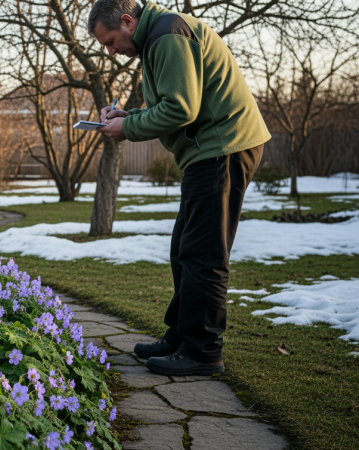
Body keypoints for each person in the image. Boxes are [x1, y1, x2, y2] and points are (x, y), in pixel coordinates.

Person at [87, 0, 271, 376]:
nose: (110, 52)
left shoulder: (168, 34)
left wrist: (128, 129)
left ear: (126, 21)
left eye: (109, 42)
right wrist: (130, 116)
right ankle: (181, 336)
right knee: (184, 248)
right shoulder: (160, 36)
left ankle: (203, 350)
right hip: (210, 150)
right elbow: (174, 105)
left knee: (204, 253)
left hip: (223, 147)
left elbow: (180, 109)